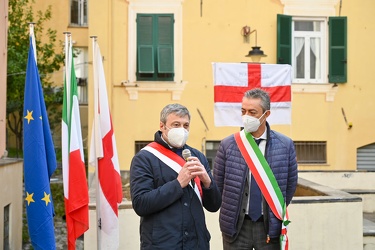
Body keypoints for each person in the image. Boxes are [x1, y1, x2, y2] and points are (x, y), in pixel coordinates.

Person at [214, 88, 298, 250]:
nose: (247, 116)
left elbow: (290, 186)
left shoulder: (285, 145)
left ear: (266, 114)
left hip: (268, 227)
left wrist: (273, 211)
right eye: (243, 111)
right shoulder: (228, 144)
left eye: (252, 112)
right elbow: (219, 184)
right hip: (236, 227)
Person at [130, 103, 222, 250]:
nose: (182, 130)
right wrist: (178, 184)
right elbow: (141, 204)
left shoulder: (197, 156)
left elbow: (214, 206)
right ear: (162, 126)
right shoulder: (145, 158)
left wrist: (207, 182)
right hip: (162, 244)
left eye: (186, 125)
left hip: (196, 243)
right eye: (176, 124)